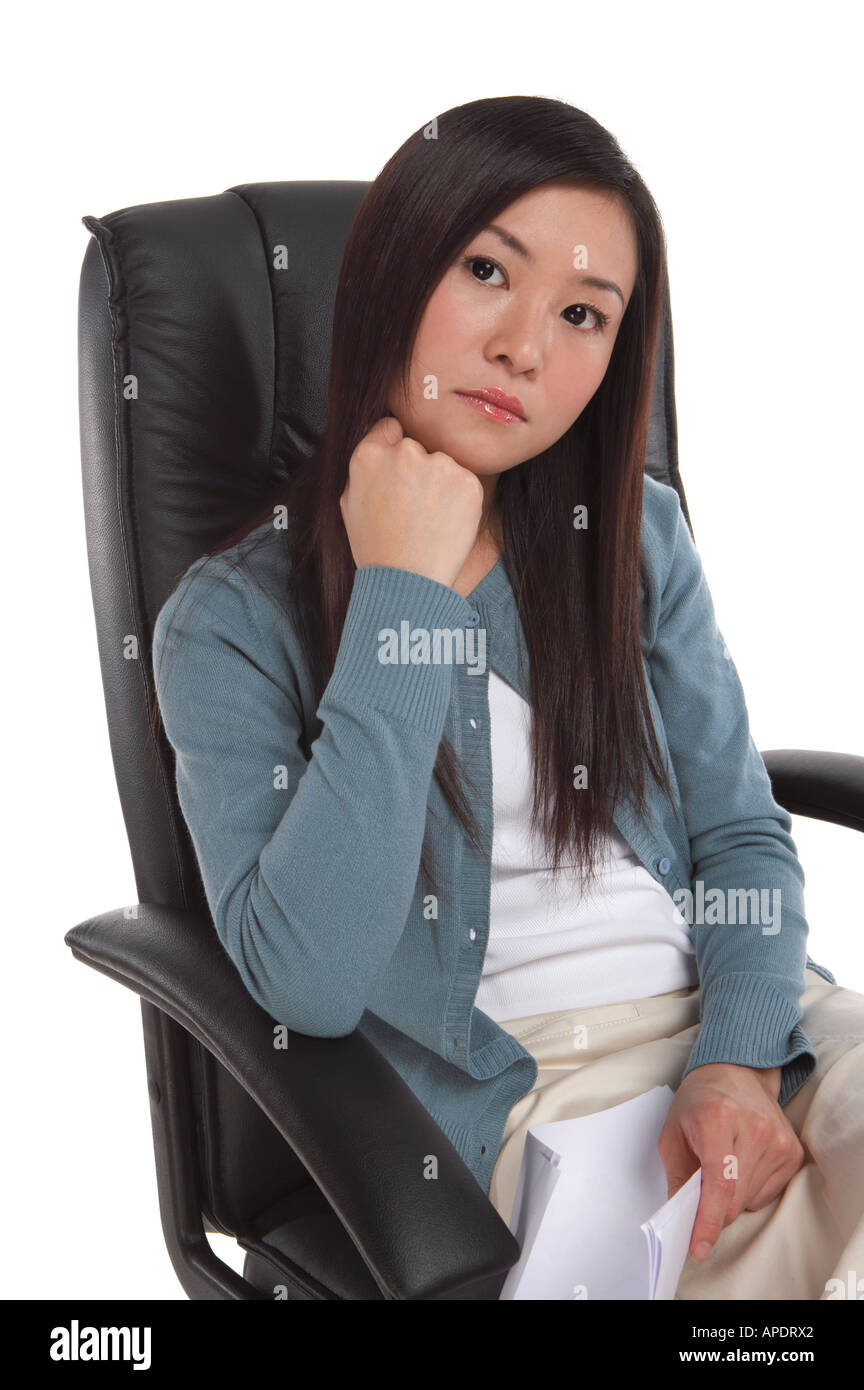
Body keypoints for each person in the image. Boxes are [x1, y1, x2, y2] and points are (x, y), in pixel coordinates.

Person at [151, 94, 864, 1300]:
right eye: (488, 270)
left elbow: (742, 836)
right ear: (394, 269)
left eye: (583, 313)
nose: (527, 348)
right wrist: (403, 594)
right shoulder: (228, 622)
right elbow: (309, 980)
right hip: (531, 1102)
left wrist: (738, 1057)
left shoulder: (633, 540)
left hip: (758, 1033)